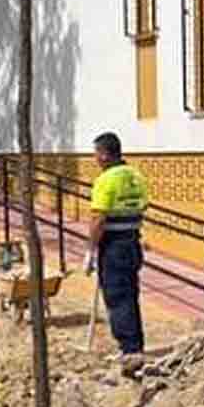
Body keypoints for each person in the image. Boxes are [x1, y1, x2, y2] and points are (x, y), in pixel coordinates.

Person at [84, 132, 149, 359]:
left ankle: (129, 350)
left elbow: (98, 218)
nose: (95, 159)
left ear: (104, 154)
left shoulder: (106, 180)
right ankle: (135, 344)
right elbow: (143, 206)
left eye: (96, 154)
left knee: (117, 296)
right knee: (130, 294)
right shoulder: (136, 175)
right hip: (132, 241)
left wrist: (90, 250)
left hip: (113, 247)